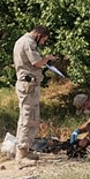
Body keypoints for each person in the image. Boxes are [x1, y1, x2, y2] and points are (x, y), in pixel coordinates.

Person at [12, 26, 56, 163]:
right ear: (38, 34)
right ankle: (21, 154)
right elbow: (37, 63)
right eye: (43, 39)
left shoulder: (22, 41)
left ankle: (25, 149)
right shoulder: (28, 43)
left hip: (30, 85)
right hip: (28, 86)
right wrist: (47, 58)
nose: (42, 43)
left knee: (32, 118)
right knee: (27, 118)